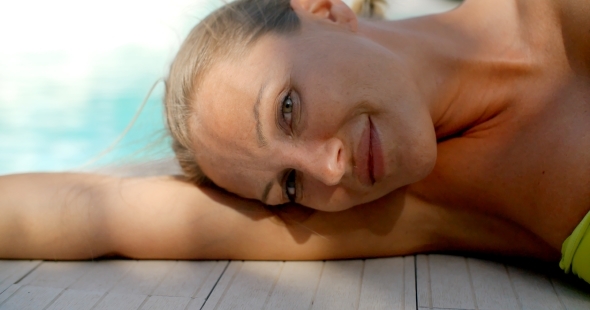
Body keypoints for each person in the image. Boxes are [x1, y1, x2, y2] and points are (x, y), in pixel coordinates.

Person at [0, 0, 588, 285]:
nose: (327, 171)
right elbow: (95, 212)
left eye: (287, 110)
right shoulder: (410, 208)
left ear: (326, 11)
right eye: (287, 186)